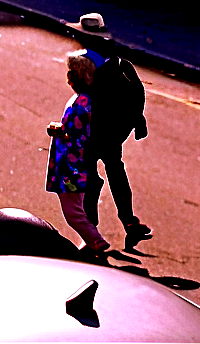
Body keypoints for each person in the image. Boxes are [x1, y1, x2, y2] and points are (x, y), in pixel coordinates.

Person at [70, 27, 152, 251]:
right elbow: (138, 95)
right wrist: (138, 121)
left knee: (90, 179)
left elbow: (79, 97)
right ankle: (128, 220)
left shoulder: (83, 64)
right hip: (114, 133)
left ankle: (92, 231)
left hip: (91, 132)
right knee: (116, 172)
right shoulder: (121, 65)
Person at [46, 51, 109, 260]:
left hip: (71, 166)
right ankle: (92, 241)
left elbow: (78, 136)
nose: (68, 77)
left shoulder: (82, 103)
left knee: (73, 212)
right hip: (71, 165)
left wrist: (57, 130)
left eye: (72, 73)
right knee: (75, 207)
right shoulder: (81, 99)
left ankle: (96, 241)